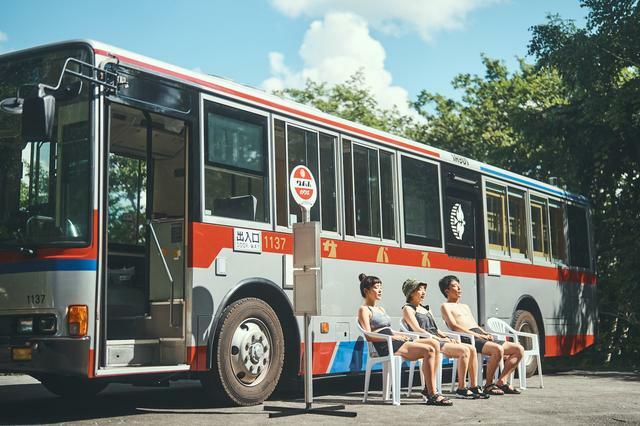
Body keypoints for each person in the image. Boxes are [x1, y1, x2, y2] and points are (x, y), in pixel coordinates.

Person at [357, 273, 453, 406]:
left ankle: (428, 387)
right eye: (376, 287)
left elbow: (389, 329)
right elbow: (368, 335)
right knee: (428, 350)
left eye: (380, 287)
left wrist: (399, 334)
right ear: (366, 291)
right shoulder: (364, 310)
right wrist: (393, 336)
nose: (380, 290)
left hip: (394, 340)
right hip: (385, 345)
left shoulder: (380, 308)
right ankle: (432, 393)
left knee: (434, 343)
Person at [401, 279, 489, 399]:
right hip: (426, 341)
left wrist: (446, 337)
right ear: (411, 292)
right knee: (464, 351)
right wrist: (439, 339)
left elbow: (436, 329)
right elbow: (416, 329)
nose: (423, 292)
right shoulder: (408, 309)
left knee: (472, 349)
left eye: (424, 289)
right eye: (419, 289)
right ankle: (461, 388)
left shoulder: (426, 309)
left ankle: (473, 386)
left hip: (436, 339)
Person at [439, 275, 525, 395]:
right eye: (455, 286)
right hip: (466, 337)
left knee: (518, 349)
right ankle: (488, 385)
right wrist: (477, 335)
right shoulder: (445, 306)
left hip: (478, 334)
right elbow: (454, 326)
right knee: (497, 349)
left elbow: (474, 324)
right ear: (446, 290)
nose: (459, 289)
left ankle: (501, 381)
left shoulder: (465, 306)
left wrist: (484, 333)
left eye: (459, 286)